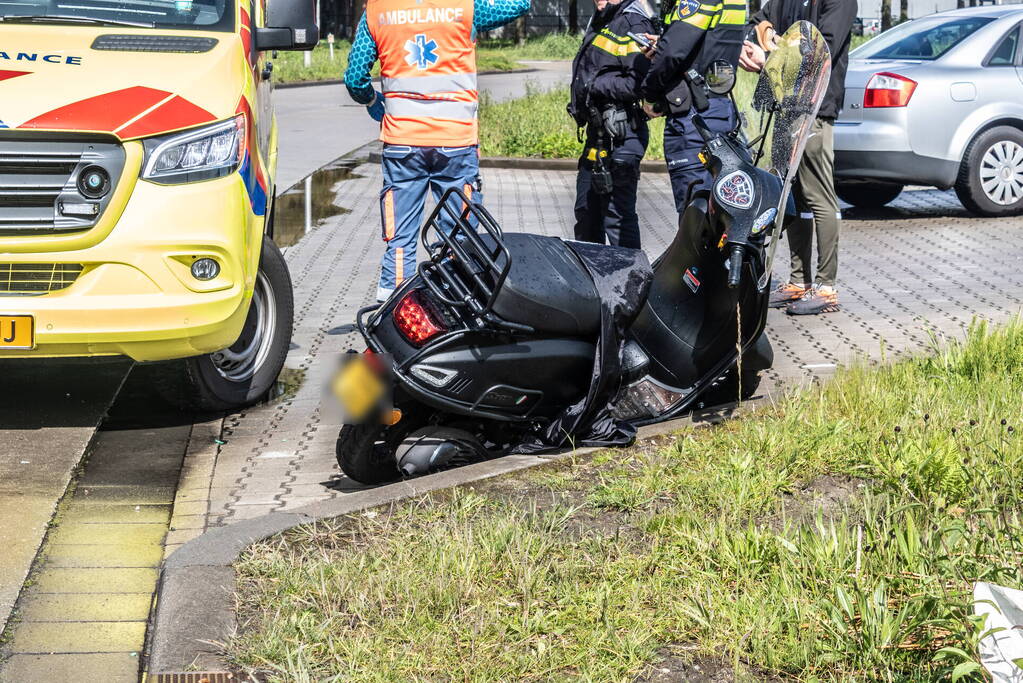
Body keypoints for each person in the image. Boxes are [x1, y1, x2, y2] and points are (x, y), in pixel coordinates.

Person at [344, 0, 530, 302]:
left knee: (400, 237)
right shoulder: (467, 5)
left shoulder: (377, 10)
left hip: (402, 144)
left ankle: (392, 309)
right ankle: (456, 304)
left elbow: (355, 78)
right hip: (455, 143)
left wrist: (371, 101)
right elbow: (520, 4)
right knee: (457, 234)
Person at [740, 0, 855, 315]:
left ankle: (826, 287)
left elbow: (820, 50)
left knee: (818, 196)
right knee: (793, 196)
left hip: (815, 107)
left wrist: (772, 51)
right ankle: (798, 282)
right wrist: (766, 41)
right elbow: (761, 21)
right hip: (783, 104)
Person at [639, 0, 748, 214]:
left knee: (695, 212)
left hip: (695, 118)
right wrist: (664, 43)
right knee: (721, 207)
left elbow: (672, 53)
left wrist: (649, 95)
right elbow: (710, 42)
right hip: (720, 109)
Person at [568, 0, 659, 249]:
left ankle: (632, 282)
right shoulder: (605, 18)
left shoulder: (634, 22)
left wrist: (593, 85)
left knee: (617, 218)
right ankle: (591, 282)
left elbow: (638, 84)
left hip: (622, 135)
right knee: (586, 215)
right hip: (598, 135)